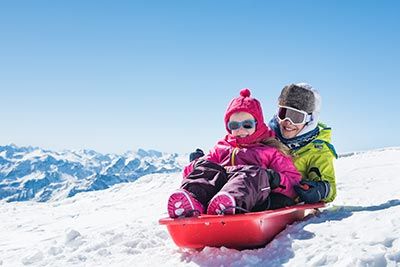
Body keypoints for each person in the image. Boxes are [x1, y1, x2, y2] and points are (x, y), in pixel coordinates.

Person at [167, 89, 301, 218]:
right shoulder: (221, 148)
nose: (240, 130)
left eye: (247, 125)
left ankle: (228, 204)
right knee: (207, 167)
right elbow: (195, 174)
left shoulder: (269, 151)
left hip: (252, 199)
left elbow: (293, 183)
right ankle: (191, 201)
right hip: (215, 195)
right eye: (234, 126)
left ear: (258, 124)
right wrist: (197, 163)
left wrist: (275, 179)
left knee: (254, 174)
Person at [268, 83, 337, 204]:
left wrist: (320, 190)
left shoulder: (317, 150)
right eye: (284, 113)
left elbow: (330, 187)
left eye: (296, 117)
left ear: (310, 120)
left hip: (287, 198)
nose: (288, 122)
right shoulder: (267, 138)